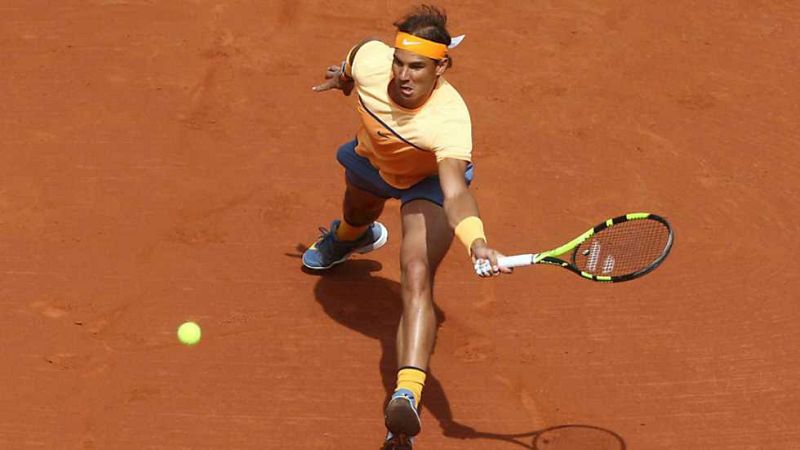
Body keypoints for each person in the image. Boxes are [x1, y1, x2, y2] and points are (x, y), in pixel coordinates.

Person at [303, 5, 512, 449]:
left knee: (415, 271)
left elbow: (456, 192)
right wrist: (343, 80)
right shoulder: (369, 59)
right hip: (373, 162)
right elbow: (351, 68)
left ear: (441, 68)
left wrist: (476, 242)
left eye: (416, 66)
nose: (402, 74)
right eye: (399, 62)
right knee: (358, 211)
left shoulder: (449, 119)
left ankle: (406, 398)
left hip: (427, 183)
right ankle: (351, 237)